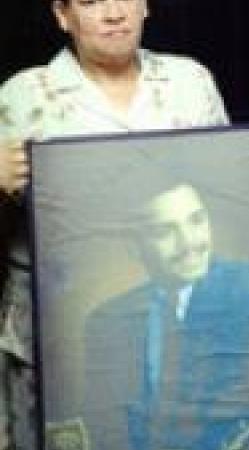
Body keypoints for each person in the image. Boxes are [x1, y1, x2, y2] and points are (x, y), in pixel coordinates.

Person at [0, 0, 230, 446]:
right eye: (90, 2)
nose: (113, 13)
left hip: (186, 337)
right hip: (57, 340)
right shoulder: (20, 98)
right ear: (62, 15)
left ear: (145, 6)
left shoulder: (190, 82)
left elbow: (223, 198)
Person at [81, 181, 249, 450]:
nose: (189, 243)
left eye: (196, 221)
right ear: (134, 246)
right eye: (164, 231)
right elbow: (107, 427)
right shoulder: (107, 320)